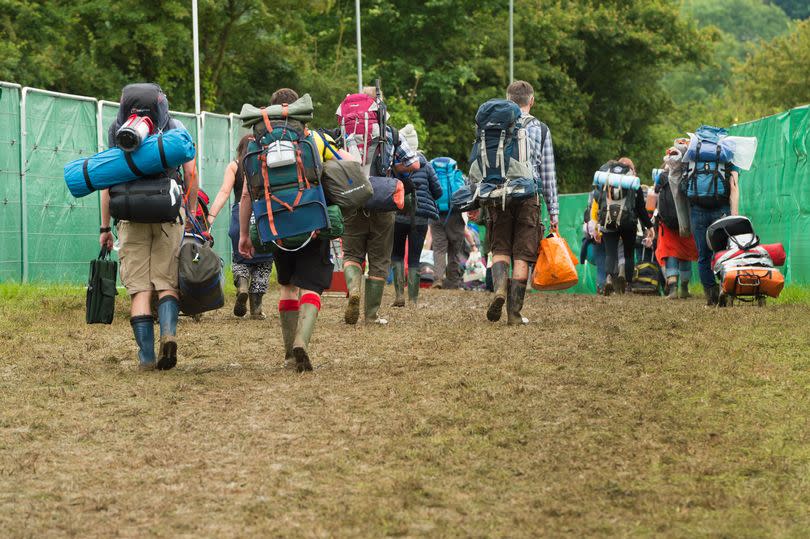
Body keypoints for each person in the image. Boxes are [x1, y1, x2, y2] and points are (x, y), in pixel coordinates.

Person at [238, 87, 340, 372]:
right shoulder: (313, 138)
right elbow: (342, 171)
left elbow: (247, 194)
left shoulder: (255, 143)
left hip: (275, 225)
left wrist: (245, 234)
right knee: (313, 285)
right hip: (312, 222)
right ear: (297, 110)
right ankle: (302, 343)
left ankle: (287, 355)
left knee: (286, 286)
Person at [99, 83, 198, 371]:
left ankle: (145, 358)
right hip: (168, 212)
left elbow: (106, 180)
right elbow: (190, 172)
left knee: (140, 289)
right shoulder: (175, 126)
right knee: (167, 283)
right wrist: (189, 213)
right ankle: (168, 334)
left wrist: (105, 228)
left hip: (129, 216)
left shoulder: (116, 129)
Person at [340, 85, 420, 325]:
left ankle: (354, 291)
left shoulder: (342, 131)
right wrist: (393, 169)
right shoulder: (391, 133)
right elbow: (414, 164)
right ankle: (371, 315)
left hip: (352, 199)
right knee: (379, 259)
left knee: (352, 254)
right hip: (383, 200)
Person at [485, 80, 559, 325]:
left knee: (500, 249)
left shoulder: (494, 124)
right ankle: (514, 314)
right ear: (532, 101)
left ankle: (498, 291)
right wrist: (554, 215)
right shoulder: (541, 128)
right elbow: (548, 174)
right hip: (529, 197)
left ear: (508, 99)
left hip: (499, 195)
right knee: (522, 255)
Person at [207, 134, 274, 319]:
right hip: (263, 216)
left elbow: (224, 191)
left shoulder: (235, 165)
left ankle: (242, 284)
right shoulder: (266, 162)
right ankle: (257, 309)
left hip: (240, 216)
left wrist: (211, 215)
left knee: (240, 259)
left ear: (240, 148)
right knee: (264, 263)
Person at [390, 125, 442, 306]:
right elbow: (438, 192)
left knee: (396, 255)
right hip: (420, 218)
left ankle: (398, 296)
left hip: (398, 215)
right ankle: (413, 300)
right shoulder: (426, 165)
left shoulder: (394, 166)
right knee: (414, 258)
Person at [592, 158, 655, 295]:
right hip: (628, 222)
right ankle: (627, 284)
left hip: (608, 220)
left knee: (611, 253)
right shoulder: (633, 182)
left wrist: (596, 224)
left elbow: (598, 200)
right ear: (631, 169)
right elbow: (640, 209)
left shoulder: (607, 180)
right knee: (628, 254)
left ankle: (609, 278)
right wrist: (649, 226)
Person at [689, 150, 740, 306]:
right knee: (724, 253)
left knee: (703, 255)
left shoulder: (693, 157)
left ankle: (711, 296)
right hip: (721, 210)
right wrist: (734, 215)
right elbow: (734, 186)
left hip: (697, 210)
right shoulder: (728, 158)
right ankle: (725, 291)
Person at [655, 149, 698, 299]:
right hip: (686, 220)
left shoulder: (662, 176)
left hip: (667, 223)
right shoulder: (691, 173)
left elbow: (655, 193)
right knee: (685, 252)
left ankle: (673, 289)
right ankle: (685, 288)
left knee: (670, 253)